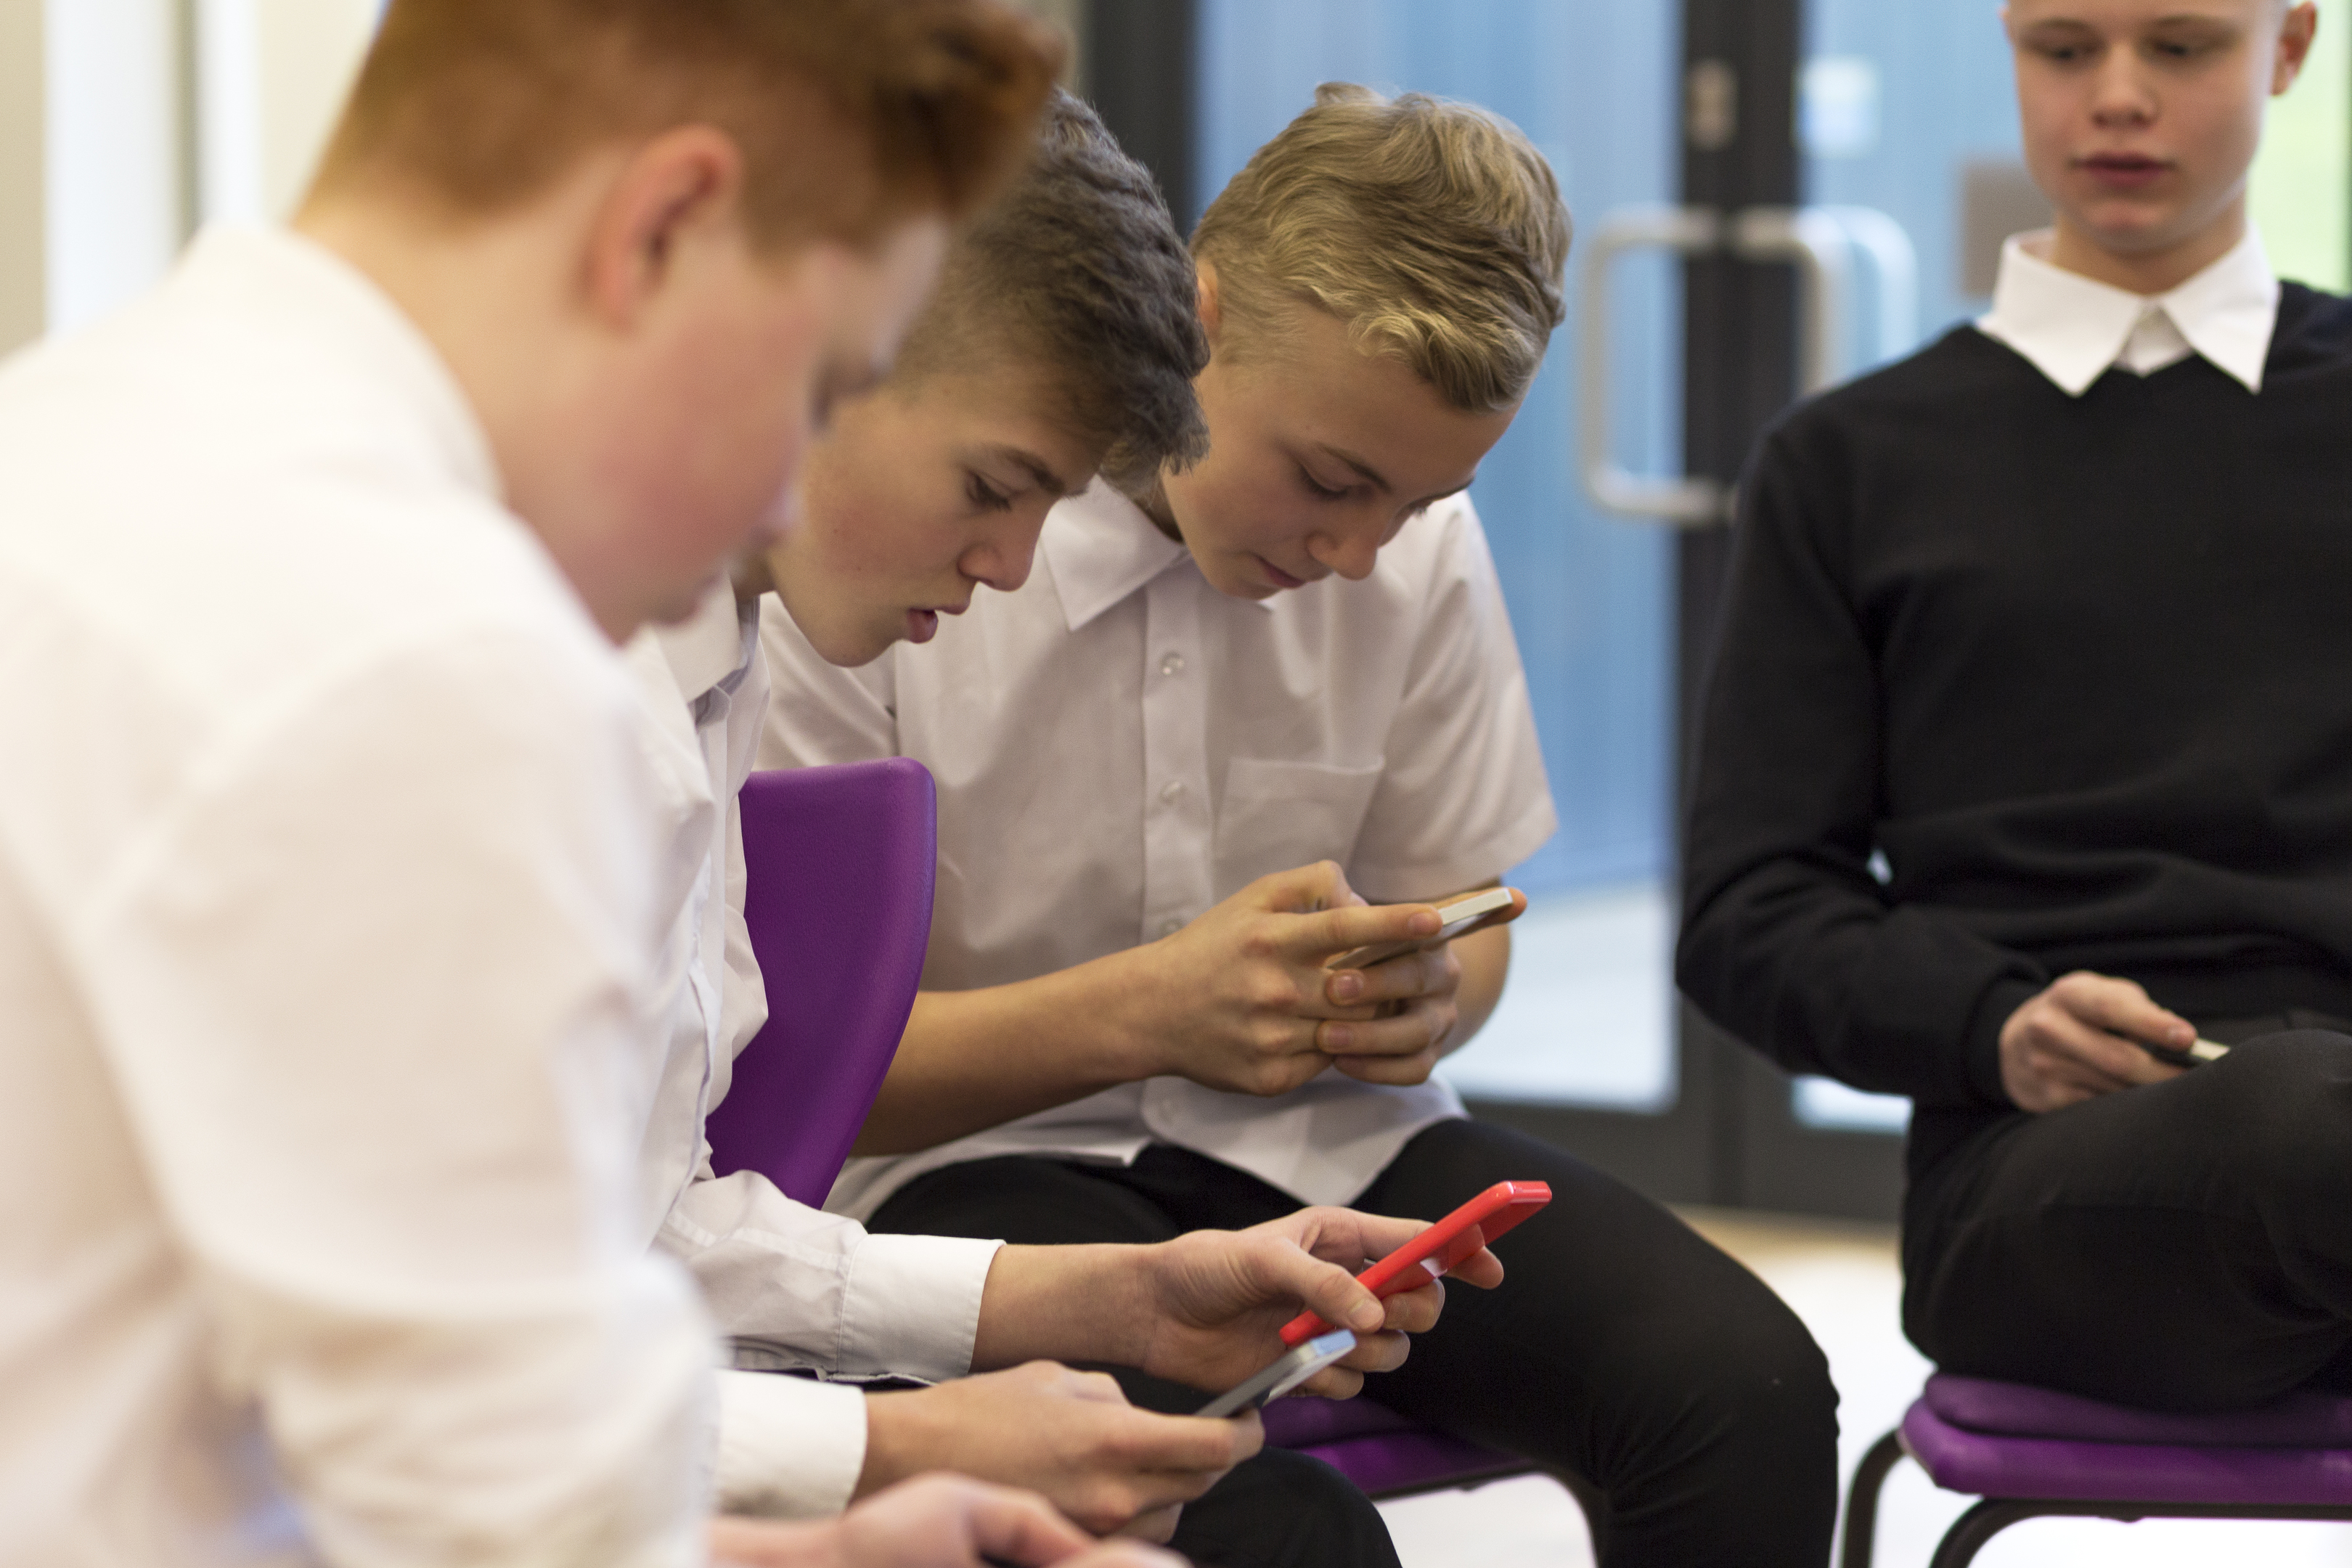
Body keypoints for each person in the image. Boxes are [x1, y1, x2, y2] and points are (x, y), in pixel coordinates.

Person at [0, 2, 1167, 1564]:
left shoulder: (72, 435)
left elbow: (310, 1403)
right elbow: (523, 1530)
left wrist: (820, 1539)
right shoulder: (431, 646)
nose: (777, 489)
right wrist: (863, 1469)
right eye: (818, 384)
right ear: (665, 226)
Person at [761, 84, 1842, 1567]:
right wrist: (1150, 1012)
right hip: (963, 1178)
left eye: (1416, 501)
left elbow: (1474, 920)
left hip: (1329, 1149)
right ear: (1196, 322)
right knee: (1270, 1529)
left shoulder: (1418, 553)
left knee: (1745, 1391)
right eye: (1330, 482)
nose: (1354, 553)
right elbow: (782, 1089)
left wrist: (1421, 1000)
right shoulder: (917, 546)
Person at [630, 90, 1477, 1567]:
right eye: (991, 487)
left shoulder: (722, 660)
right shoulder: (538, 700)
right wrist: (886, 1453)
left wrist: (1111, 1300)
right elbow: (429, 1371)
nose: (1015, 568)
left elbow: (665, 1233)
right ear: (814, 354)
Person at [1676, 0, 2352, 1413]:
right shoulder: (1848, 463)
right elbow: (1750, 913)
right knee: (2310, 1133)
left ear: (2287, 50)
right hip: (2039, 1170)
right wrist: (1995, 1022)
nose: (2117, 97)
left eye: (2178, 47)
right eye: (2063, 48)